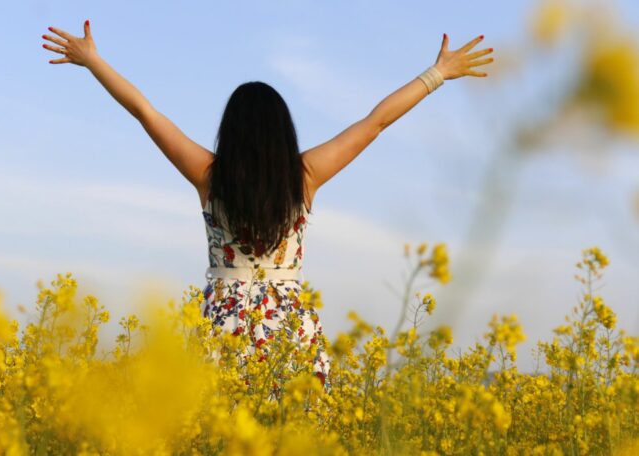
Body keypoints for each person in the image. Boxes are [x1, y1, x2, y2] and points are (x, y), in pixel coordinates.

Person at [42, 20, 494, 390]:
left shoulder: (208, 176)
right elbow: (374, 123)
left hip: (222, 328)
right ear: (283, 131)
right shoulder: (304, 177)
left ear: (230, 131)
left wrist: (93, 62)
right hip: (291, 330)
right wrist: (437, 75)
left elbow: (146, 112)